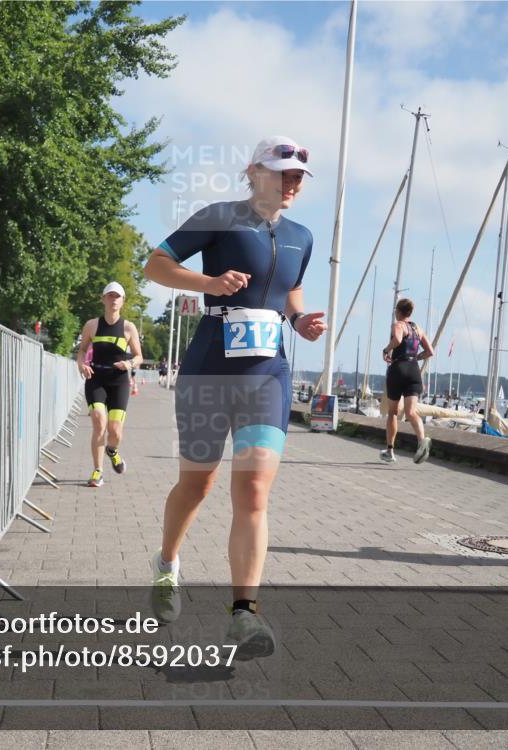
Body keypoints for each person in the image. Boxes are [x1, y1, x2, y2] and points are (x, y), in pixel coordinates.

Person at [143, 136, 326, 659]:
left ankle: (243, 616)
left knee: (253, 493)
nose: (291, 183)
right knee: (197, 485)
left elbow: (289, 290)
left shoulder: (302, 236)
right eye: (281, 172)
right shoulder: (219, 216)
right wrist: (209, 281)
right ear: (253, 172)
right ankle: (167, 563)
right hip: (209, 369)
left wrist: (300, 319)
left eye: (297, 177)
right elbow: (156, 265)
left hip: (269, 373)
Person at [75, 282, 143, 487]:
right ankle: (97, 471)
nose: (113, 299)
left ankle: (112, 451)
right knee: (98, 421)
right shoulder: (91, 325)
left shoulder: (128, 327)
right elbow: (81, 351)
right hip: (96, 378)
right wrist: (81, 365)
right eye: (110, 296)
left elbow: (139, 356)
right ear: (103, 299)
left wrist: (128, 363)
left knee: (114, 431)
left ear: (123, 301)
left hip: (119, 381)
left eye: (117, 296)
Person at [380, 298, 435, 464]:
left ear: (398, 311)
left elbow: (397, 340)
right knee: (411, 412)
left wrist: (386, 350)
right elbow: (430, 351)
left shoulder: (398, 325)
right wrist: (416, 357)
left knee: (393, 412)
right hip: (413, 370)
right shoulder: (417, 328)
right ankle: (421, 440)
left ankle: (390, 451)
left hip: (398, 370)